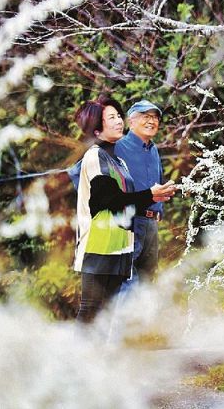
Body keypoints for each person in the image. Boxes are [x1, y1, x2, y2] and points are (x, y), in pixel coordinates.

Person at [73, 94, 175, 323]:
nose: (118, 120)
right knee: (92, 306)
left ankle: (112, 349)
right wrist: (150, 195)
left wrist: (157, 198)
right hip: (100, 241)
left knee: (105, 306)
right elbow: (110, 198)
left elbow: (124, 196)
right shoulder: (99, 155)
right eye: (113, 117)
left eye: (118, 115)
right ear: (97, 130)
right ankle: (74, 356)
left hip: (119, 238)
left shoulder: (118, 159)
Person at [114, 100, 165, 287]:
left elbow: (158, 182)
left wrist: (161, 207)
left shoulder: (153, 150)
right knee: (127, 279)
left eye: (155, 117)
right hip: (129, 221)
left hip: (151, 224)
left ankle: (141, 317)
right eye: (146, 116)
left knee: (148, 278)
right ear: (131, 121)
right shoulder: (117, 146)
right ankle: (122, 316)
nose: (152, 121)